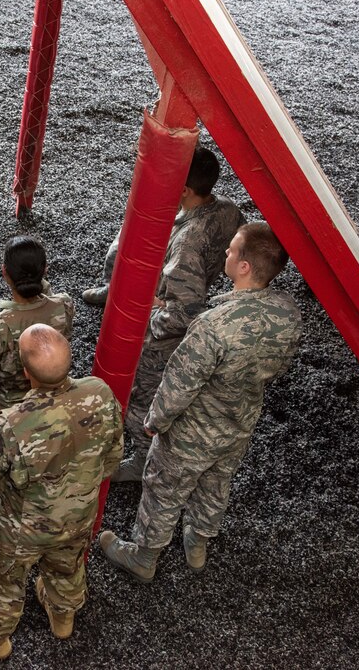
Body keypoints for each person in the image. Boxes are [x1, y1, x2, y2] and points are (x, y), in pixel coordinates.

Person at [99, 222, 302, 582]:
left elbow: (179, 385)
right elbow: (280, 366)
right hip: (239, 422)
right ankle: (197, 543)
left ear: (244, 267)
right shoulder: (288, 312)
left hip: (193, 431)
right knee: (215, 483)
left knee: (163, 489)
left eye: (232, 249)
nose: (226, 251)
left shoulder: (212, 326)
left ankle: (144, 557)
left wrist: (154, 421)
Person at [0, 325, 123, 660]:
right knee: (67, 564)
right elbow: (112, 456)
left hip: (22, 528)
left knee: (4, 579)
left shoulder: (8, 426)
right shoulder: (100, 394)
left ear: (25, 373)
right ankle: (62, 616)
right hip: (79, 512)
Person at [102, 146, 245, 482]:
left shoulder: (187, 245)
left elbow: (185, 312)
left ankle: (140, 459)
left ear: (184, 190)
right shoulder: (226, 208)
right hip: (177, 286)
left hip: (168, 321)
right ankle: (113, 290)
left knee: (142, 393)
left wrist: (148, 317)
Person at [0, 236, 74, 426]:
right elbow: (48, 298)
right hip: (49, 399)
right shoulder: (64, 305)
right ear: (45, 270)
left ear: (4, 273)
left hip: (3, 411)